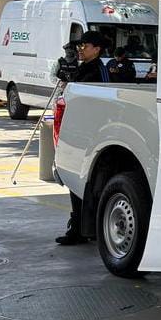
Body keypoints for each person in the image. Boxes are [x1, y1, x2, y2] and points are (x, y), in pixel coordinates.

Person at [56, 30, 112, 245]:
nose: (80, 50)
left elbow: (103, 101)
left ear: (97, 49)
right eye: (79, 46)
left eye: (85, 46)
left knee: (89, 184)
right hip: (76, 131)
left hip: (92, 134)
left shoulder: (100, 70)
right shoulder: (82, 68)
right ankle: (78, 227)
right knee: (74, 181)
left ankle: (88, 228)